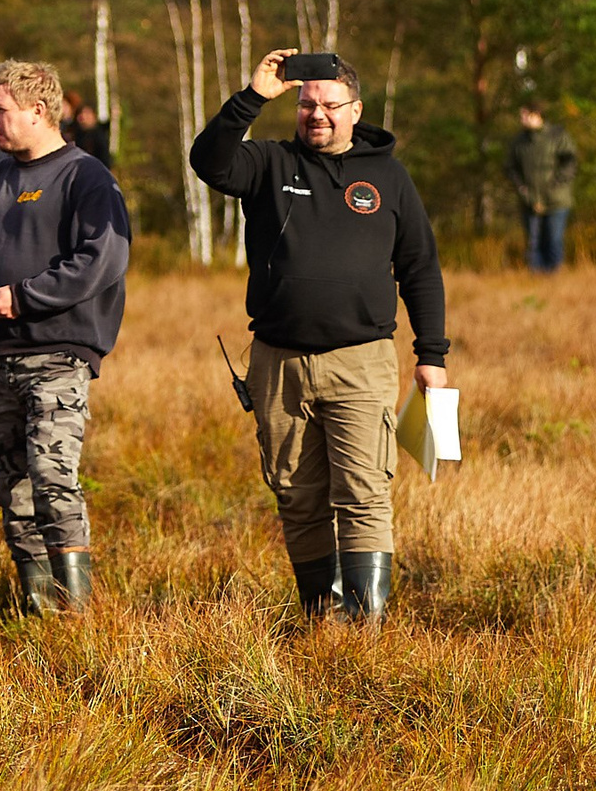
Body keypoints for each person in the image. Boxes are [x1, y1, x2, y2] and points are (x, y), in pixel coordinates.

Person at [190, 49, 449, 624]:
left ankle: (364, 626)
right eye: (307, 105)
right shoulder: (268, 163)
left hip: (361, 362)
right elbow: (208, 162)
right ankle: (320, 619)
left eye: (330, 105)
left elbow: (420, 268)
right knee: (297, 495)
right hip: (277, 364)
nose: (317, 115)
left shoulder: (389, 178)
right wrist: (253, 97)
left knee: (363, 492)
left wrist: (431, 353)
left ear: (356, 110)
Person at [0, 61, 132, 615]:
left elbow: (104, 257)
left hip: (57, 353)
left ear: (38, 110)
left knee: (51, 477)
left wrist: (25, 297)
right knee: (13, 490)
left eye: (0, 110)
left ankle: (77, 615)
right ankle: (39, 610)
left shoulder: (85, 176)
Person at [504, 102, 578, 272]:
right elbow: (510, 169)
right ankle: (536, 279)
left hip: (556, 202)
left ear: (537, 115)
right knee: (533, 243)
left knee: (553, 240)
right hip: (529, 202)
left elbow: (569, 162)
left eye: (524, 115)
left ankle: (553, 277)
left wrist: (554, 187)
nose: (521, 119)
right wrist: (524, 191)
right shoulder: (519, 141)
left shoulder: (557, 136)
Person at [61, 90, 111, 165]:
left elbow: (104, 158)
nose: (83, 118)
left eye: (87, 115)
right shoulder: (75, 133)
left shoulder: (98, 135)